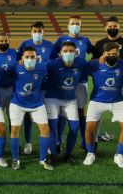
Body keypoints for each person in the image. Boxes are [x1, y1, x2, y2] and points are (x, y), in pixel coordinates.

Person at [83, 42, 123, 168]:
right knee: (89, 129)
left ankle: (119, 155)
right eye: (108, 54)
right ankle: (90, 153)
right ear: (103, 54)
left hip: (117, 100)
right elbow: (80, 67)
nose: (111, 56)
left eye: (114, 54)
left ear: (118, 54)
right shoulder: (94, 64)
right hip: (97, 101)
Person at [91, 16, 123, 143]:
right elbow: (94, 64)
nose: (112, 28)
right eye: (110, 26)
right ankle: (93, 142)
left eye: (115, 26)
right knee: (96, 116)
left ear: (119, 27)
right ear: (105, 27)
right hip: (102, 88)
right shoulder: (99, 44)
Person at [8, 46, 53, 171]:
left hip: (37, 104)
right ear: (22, 58)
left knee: (45, 128)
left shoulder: (43, 67)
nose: (29, 59)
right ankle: (15, 159)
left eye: (32, 57)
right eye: (27, 57)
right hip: (17, 103)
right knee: (15, 129)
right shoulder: (15, 67)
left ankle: (43, 159)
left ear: (37, 57)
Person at [53, 15, 94, 151]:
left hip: (81, 81)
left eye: (78, 23)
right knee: (61, 111)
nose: (75, 26)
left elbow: (95, 53)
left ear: (81, 25)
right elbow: (52, 58)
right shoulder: (61, 40)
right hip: (64, 81)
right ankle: (59, 140)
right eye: (73, 23)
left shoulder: (85, 40)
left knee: (81, 111)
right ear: (68, 25)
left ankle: (84, 140)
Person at [43, 41, 87, 164]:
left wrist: (102, 58)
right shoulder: (52, 64)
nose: (68, 53)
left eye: (71, 51)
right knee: (52, 127)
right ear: (60, 53)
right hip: (52, 98)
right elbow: (38, 70)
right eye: (65, 51)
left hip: (70, 99)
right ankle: (52, 155)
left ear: (76, 52)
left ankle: (68, 154)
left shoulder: (81, 63)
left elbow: (95, 67)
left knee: (74, 128)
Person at [18, 21, 55, 155]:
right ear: (31, 32)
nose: (37, 33)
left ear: (43, 32)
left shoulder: (50, 46)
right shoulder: (25, 45)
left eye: (39, 31)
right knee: (28, 116)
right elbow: (19, 61)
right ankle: (28, 143)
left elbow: (54, 63)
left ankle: (50, 144)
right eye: (35, 31)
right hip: (30, 87)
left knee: (47, 117)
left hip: (46, 86)